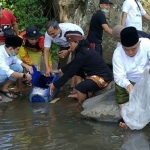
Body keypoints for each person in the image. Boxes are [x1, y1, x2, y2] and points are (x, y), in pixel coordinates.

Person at [49, 32, 113, 104]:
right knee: (78, 70)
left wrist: (55, 85)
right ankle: (80, 93)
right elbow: (73, 64)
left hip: (103, 78)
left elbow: (70, 73)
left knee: (81, 86)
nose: (70, 46)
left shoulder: (83, 54)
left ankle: (80, 105)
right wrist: (59, 70)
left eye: (71, 44)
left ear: (77, 42)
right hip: (94, 74)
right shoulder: (83, 50)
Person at [112, 27, 150, 128]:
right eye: (126, 50)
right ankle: (128, 119)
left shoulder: (146, 44)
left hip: (146, 78)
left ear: (139, 43)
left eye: (134, 49)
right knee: (120, 89)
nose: (130, 53)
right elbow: (119, 76)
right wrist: (127, 85)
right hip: (128, 80)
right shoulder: (117, 53)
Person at [44, 20, 84, 93]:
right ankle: (59, 85)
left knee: (75, 63)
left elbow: (76, 44)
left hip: (76, 42)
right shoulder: (48, 34)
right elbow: (46, 50)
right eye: (50, 34)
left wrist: (68, 51)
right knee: (61, 64)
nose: (52, 36)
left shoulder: (70, 30)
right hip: (64, 44)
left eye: (53, 33)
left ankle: (73, 86)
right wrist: (47, 68)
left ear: (58, 29)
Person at [0, 35, 32, 101]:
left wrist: (26, 66)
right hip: (2, 72)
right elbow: (9, 72)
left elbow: (16, 60)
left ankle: (3, 87)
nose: (18, 52)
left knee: (19, 68)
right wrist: (25, 75)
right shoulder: (0, 53)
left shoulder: (9, 51)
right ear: (11, 48)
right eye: (17, 50)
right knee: (4, 72)